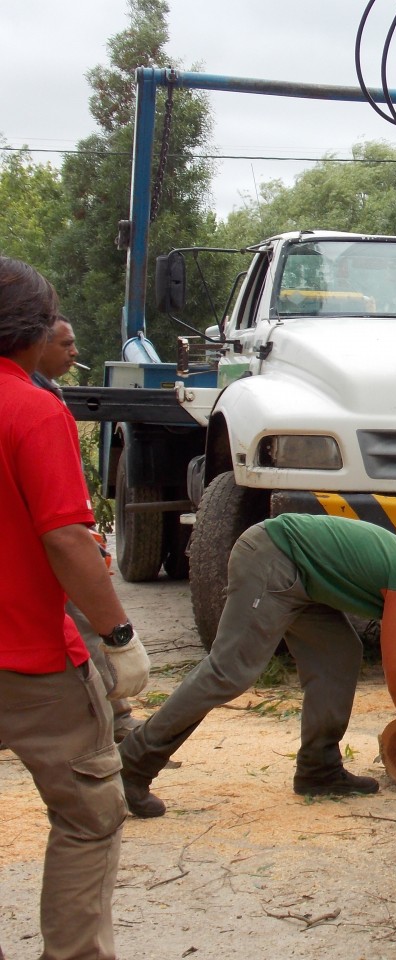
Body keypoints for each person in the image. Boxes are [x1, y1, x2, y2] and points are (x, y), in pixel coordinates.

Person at [119, 514, 396, 818]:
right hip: (273, 557)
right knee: (229, 671)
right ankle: (133, 763)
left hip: (303, 577)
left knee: (338, 655)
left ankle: (319, 768)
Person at [0, 256, 130, 960]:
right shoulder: (33, 409)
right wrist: (118, 634)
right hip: (30, 662)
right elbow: (66, 539)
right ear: (31, 329)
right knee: (88, 815)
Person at [30, 316, 143, 743]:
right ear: (36, 345)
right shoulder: (33, 401)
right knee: (86, 622)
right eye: (66, 344)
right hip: (52, 539)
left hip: (56, 533)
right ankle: (116, 719)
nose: (74, 352)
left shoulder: (45, 392)